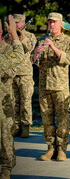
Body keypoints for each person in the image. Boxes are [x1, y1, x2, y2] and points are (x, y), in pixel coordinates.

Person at [32, 12, 70, 161]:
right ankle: (50, 147)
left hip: (60, 86)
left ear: (61, 24)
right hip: (44, 86)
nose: (51, 25)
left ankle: (62, 149)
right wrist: (35, 54)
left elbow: (69, 58)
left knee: (63, 119)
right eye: (49, 22)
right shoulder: (41, 40)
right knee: (47, 119)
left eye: (54, 22)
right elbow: (34, 61)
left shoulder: (68, 41)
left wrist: (53, 47)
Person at [0, 15, 25, 179]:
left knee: (5, 135)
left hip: (4, 98)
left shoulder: (6, 48)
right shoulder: (11, 48)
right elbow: (18, 55)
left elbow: (13, 69)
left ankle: (6, 168)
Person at [11, 14, 36, 138]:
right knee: (13, 101)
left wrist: (21, 37)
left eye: (17, 22)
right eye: (14, 22)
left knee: (25, 100)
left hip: (25, 73)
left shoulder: (30, 36)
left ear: (23, 22)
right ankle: (16, 126)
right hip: (12, 73)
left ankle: (25, 126)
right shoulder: (9, 36)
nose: (15, 25)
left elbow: (30, 48)